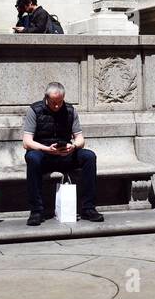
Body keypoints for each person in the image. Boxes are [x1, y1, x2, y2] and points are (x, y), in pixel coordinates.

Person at [23, 82, 103, 225]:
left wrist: (73, 146)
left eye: (60, 102)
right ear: (46, 98)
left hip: (66, 154)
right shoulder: (34, 110)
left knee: (89, 156)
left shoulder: (70, 110)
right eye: (53, 102)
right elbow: (27, 142)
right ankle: (36, 211)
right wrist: (47, 149)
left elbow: (80, 138)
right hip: (44, 154)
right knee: (32, 158)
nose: (57, 106)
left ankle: (88, 208)